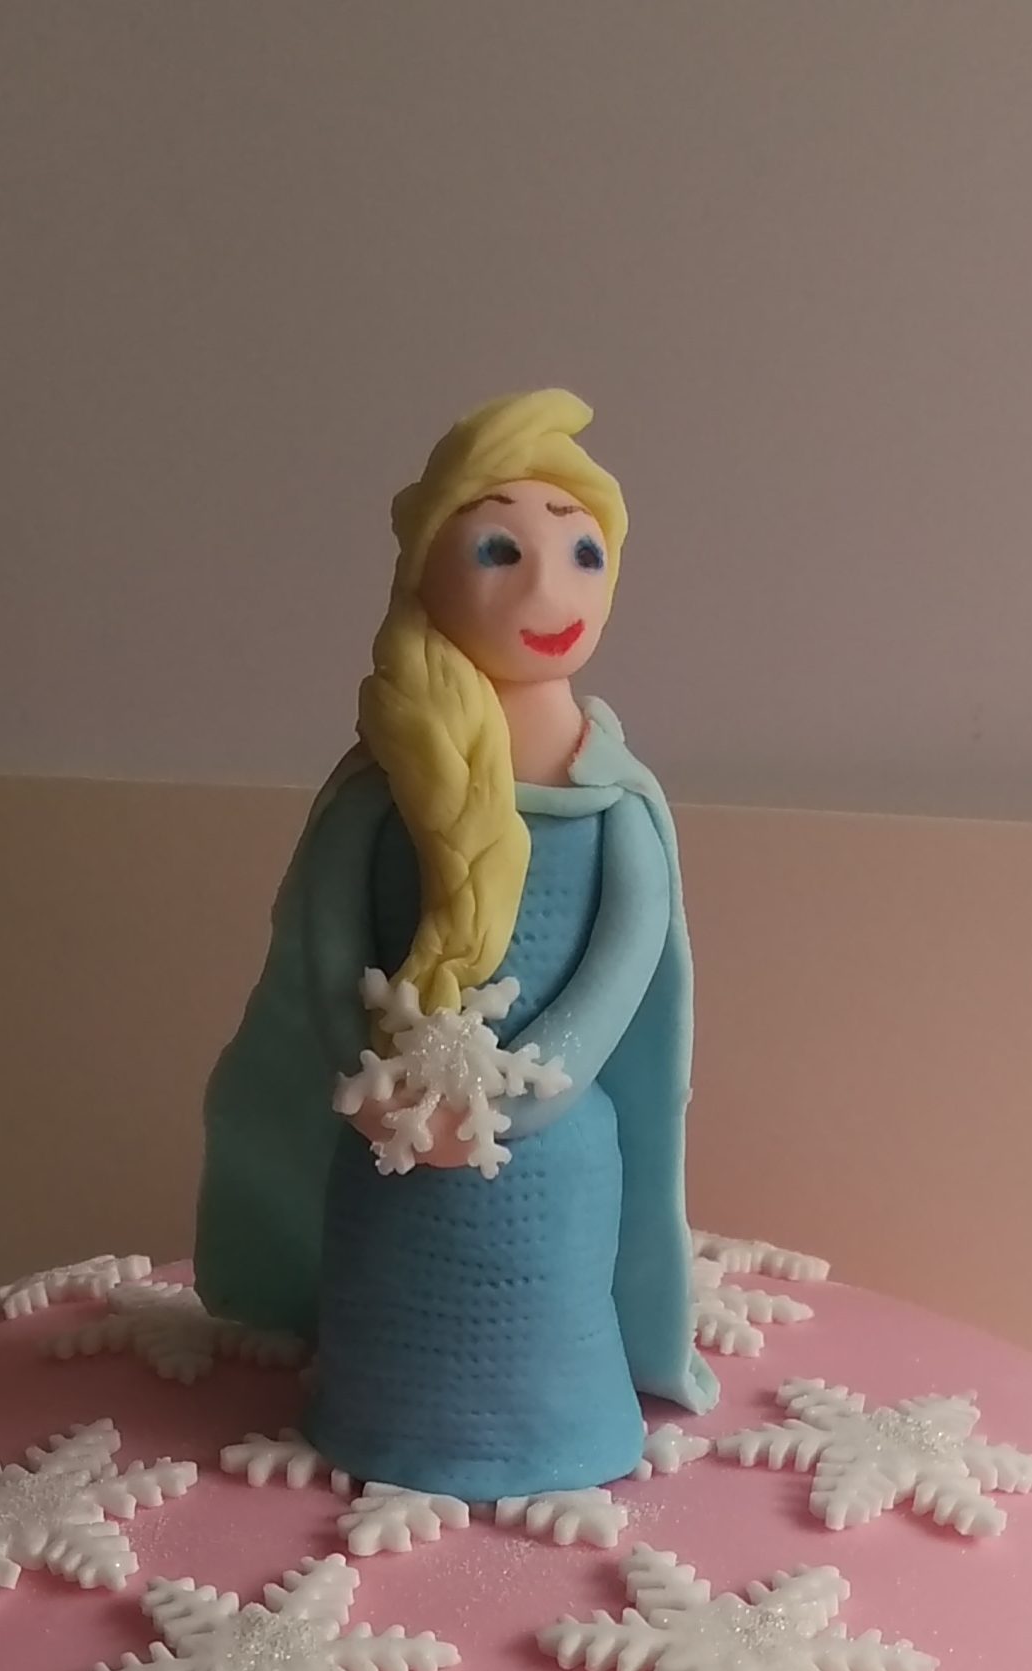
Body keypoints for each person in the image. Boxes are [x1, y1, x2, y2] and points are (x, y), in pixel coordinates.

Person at [193, 389, 713, 1501]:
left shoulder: (615, 801)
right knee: (392, 1303)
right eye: (498, 550)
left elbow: (621, 968)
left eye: (581, 551)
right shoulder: (382, 787)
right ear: (427, 572)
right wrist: (377, 1083)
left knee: (552, 1294)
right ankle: (378, 1420)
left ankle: (561, 1431)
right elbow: (329, 943)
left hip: (553, 1147)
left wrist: (515, 1099)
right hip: (392, 1143)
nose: (547, 590)